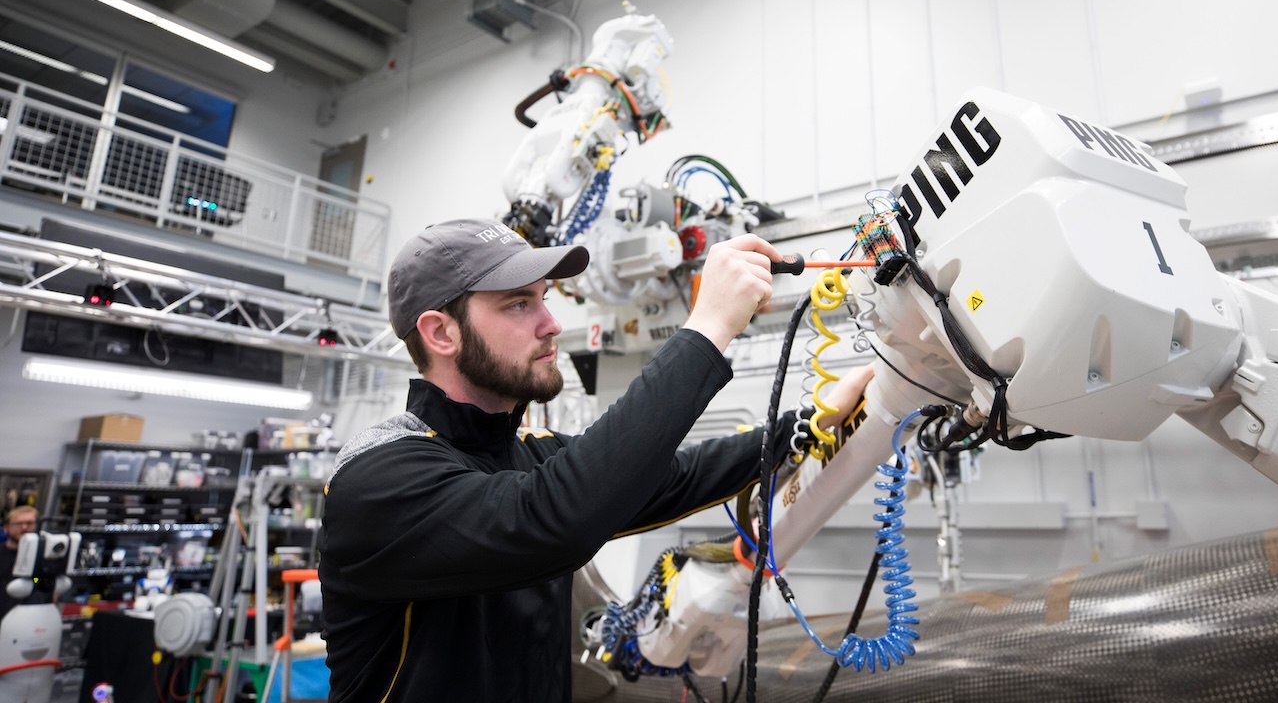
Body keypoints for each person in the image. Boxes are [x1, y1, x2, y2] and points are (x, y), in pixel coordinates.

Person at [318, 219, 871, 703]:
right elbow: (557, 520)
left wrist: (805, 426)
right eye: (518, 304)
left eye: (544, 298)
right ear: (441, 332)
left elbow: (674, 476)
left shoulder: (524, 456)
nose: (551, 323)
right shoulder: (377, 480)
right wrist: (707, 330)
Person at [0, 504, 40, 621]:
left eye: (29, 523)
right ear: (6, 528)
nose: (24, 527)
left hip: (30, 619)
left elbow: (39, 581)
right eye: (18, 524)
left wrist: (35, 579)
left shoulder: (42, 557)